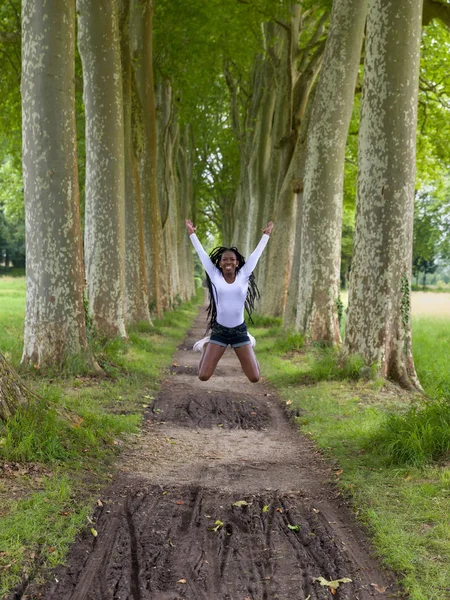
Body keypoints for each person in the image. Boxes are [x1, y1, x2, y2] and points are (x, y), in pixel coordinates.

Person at [185, 219, 274, 382]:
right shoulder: (214, 274)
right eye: (224, 260)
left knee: (254, 378)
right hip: (220, 331)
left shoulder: (244, 274)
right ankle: (206, 346)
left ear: (237, 262)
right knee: (203, 376)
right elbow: (202, 254)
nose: (228, 262)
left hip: (239, 331)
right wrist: (192, 234)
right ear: (219, 264)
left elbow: (257, 254)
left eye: (232, 259)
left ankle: (248, 342)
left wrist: (266, 235)